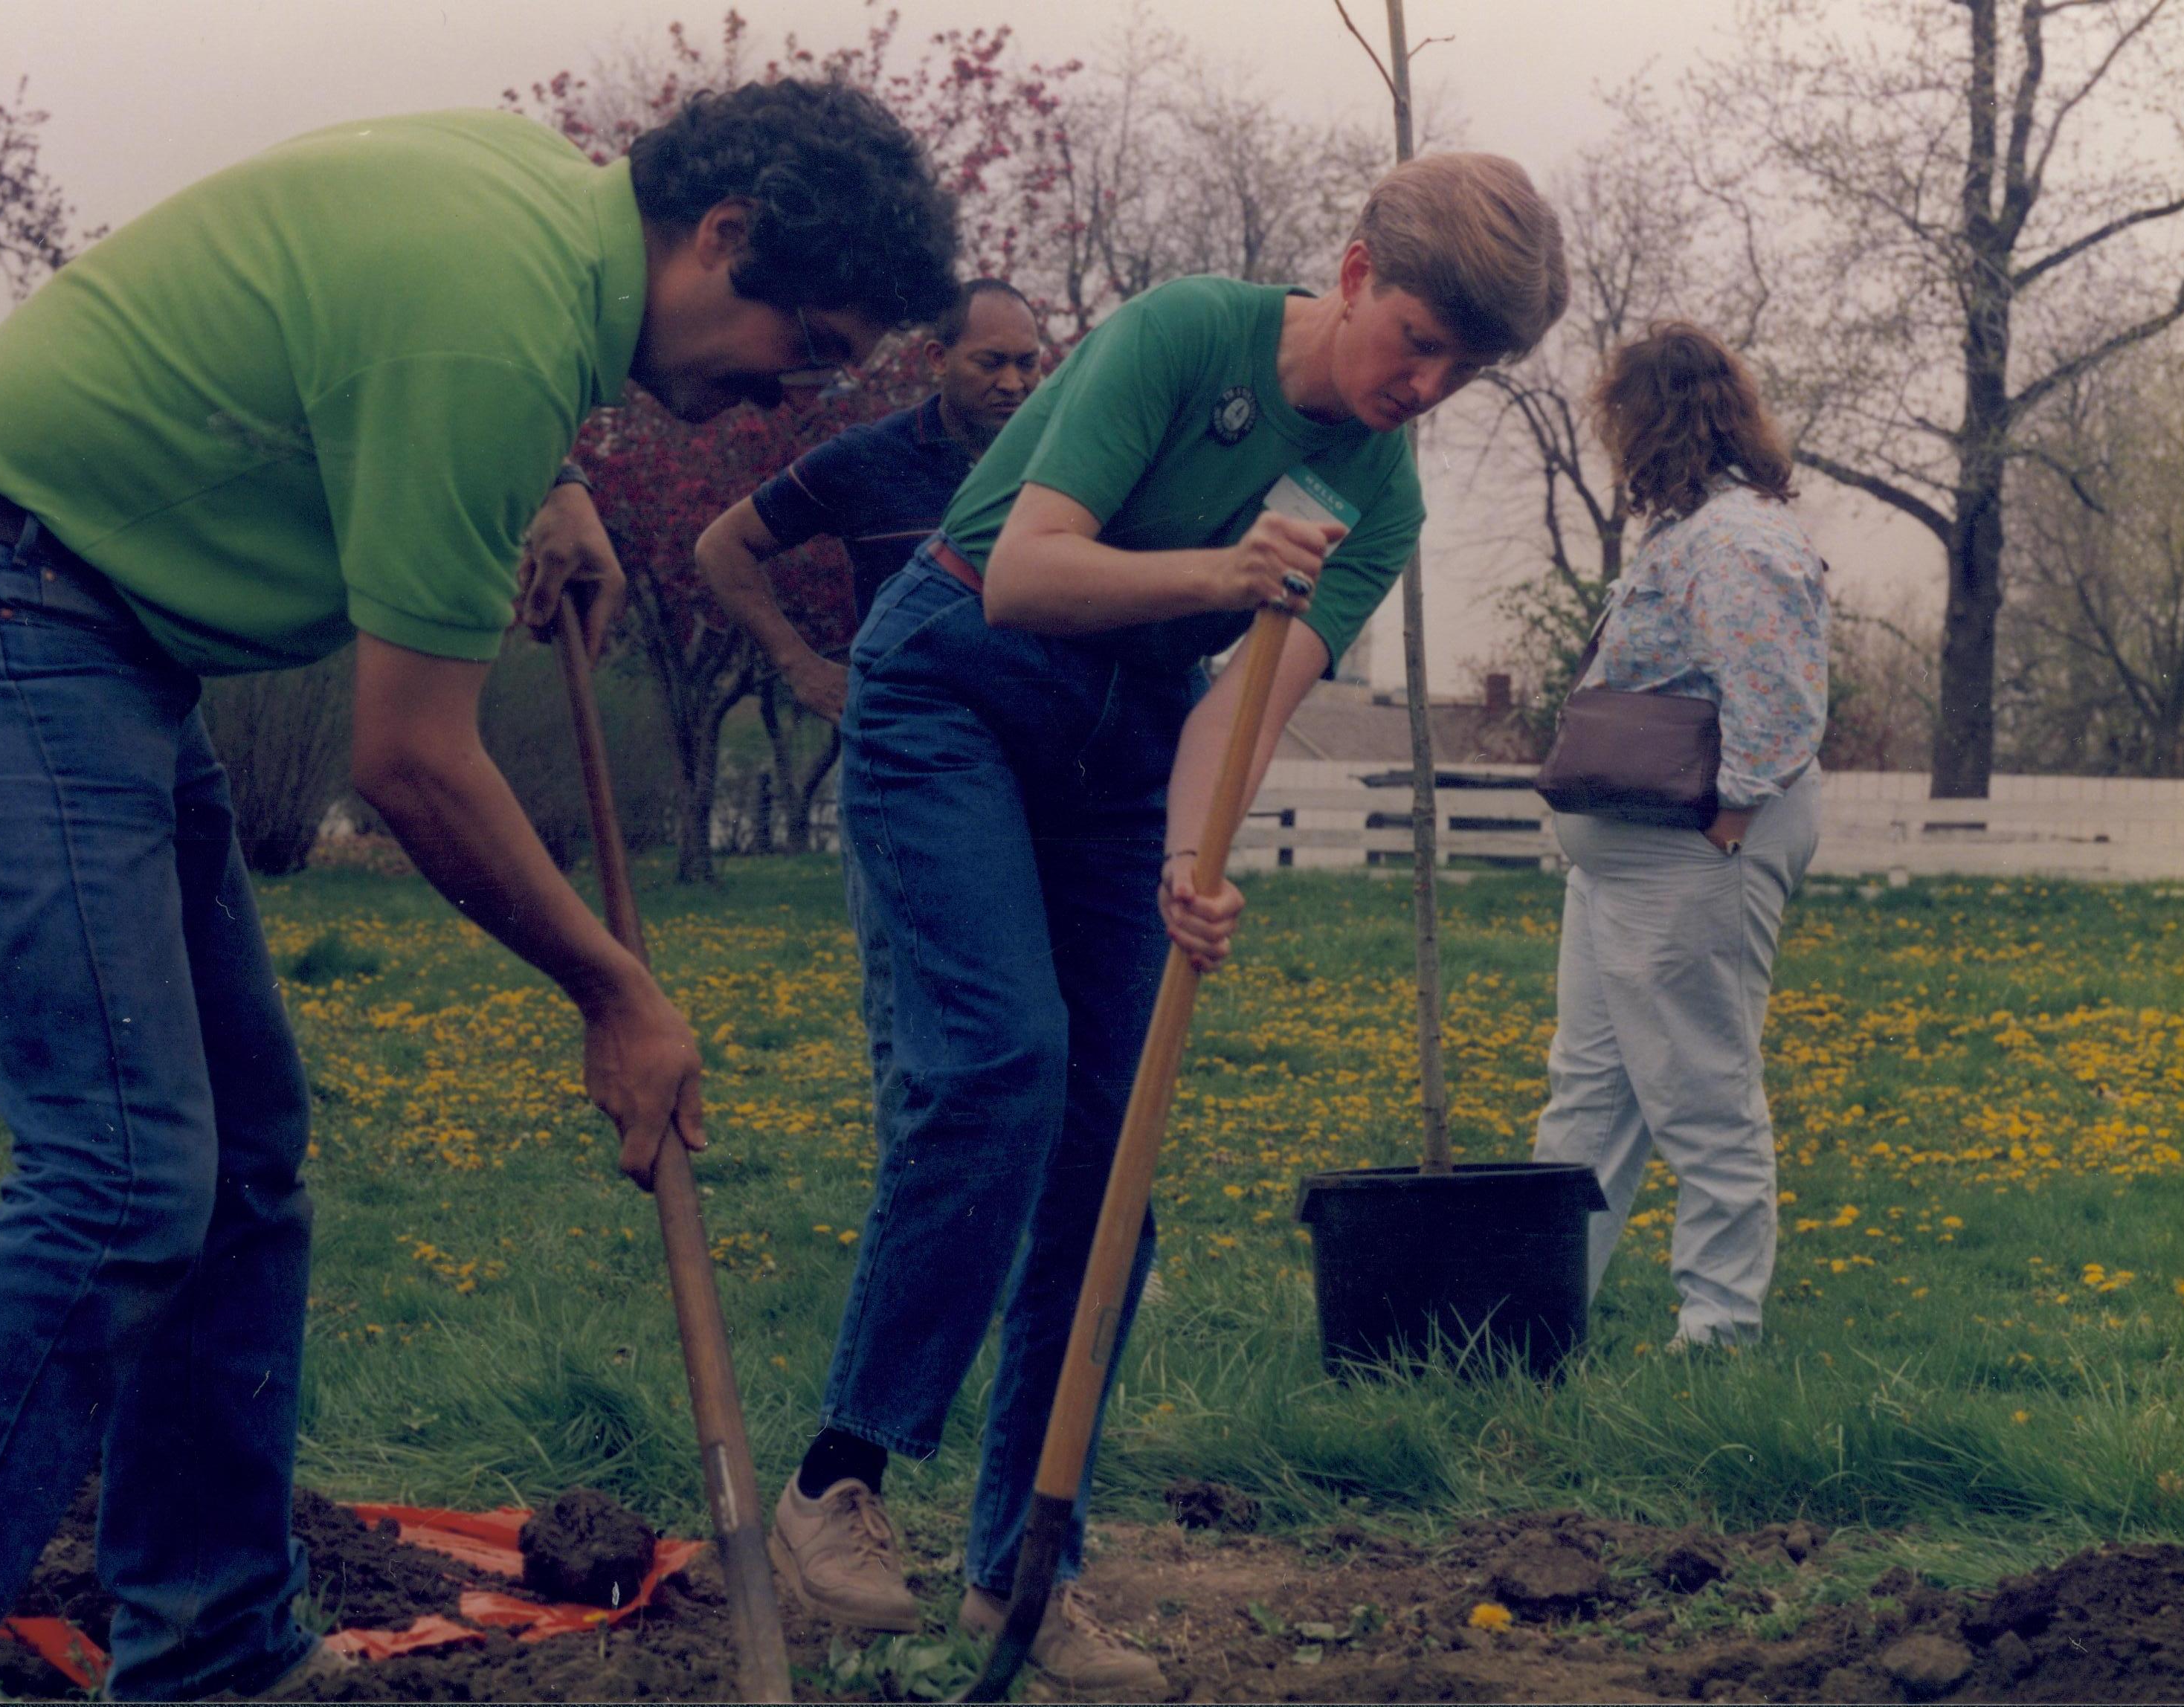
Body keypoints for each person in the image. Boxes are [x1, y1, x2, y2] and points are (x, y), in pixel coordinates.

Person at [0, 82, 957, 1703]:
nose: (769, 401)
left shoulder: (532, 216)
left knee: (240, 1160)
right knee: (113, 1177)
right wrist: (617, 990)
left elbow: (368, 336)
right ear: (719, 236)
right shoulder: (495, 329)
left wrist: (552, 481)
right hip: (5, 608)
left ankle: (212, 1642)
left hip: (81, 623)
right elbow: (413, 759)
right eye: (796, 346)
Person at [763, 153, 1568, 1694]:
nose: (1425, 380)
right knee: (1000, 1062)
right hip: (950, 693)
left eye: (1462, 368)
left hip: (1124, 753)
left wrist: (1198, 856)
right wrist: (1221, 566)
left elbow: (1242, 705)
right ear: (1348, 270)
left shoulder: (1374, 498)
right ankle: (833, 1477)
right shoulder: (1184, 336)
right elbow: (1022, 571)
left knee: (1108, 1165)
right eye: (1412, 335)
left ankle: (1021, 1573)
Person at [1527, 320, 1827, 1352]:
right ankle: (1540, 1313)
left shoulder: (1739, 541)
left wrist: (1725, 826)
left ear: (1651, 421)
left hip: (1693, 848)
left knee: (1700, 1086)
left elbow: (1779, 710)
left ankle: (1718, 1326)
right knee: (1594, 1089)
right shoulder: (1689, 530)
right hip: (1631, 854)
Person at [695, 277, 1043, 723]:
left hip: (1047, 744)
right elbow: (721, 547)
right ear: (938, 359)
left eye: (1027, 363)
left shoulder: (1065, 460)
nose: (1013, 383)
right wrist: (800, 667)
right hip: (912, 744)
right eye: (992, 363)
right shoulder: (868, 457)